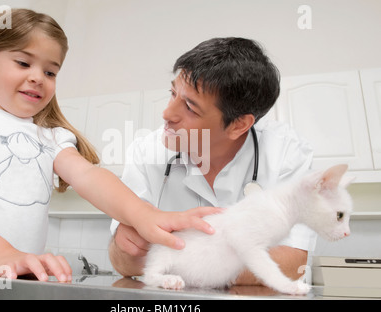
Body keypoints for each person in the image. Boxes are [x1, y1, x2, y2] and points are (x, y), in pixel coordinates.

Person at [0, 9, 218, 282]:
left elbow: (89, 176)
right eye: (23, 63)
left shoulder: (51, 137)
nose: (37, 78)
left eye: (50, 72)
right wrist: (1, 254)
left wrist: (145, 215)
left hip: (14, 287)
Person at [109, 37, 317, 285]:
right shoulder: (145, 152)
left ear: (239, 124)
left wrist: (178, 258)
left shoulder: (287, 154)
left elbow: (292, 264)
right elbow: (123, 260)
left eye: (190, 107)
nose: (166, 114)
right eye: (172, 93)